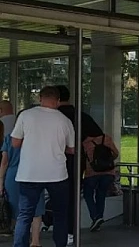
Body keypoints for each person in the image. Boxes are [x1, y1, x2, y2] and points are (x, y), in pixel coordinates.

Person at [11, 86, 75, 247]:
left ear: (40, 98)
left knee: (25, 214)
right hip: (57, 173)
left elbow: (15, 143)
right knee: (60, 214)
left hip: (29, 172)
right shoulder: (64, 120)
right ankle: (60, 244)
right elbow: (71, 149)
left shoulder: (26, 115)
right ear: (58, 101)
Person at [56, 85, 103, 245]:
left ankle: (53, 227)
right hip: (77, 161)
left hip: (54, 161)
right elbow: (99, 135)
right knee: (73, 195)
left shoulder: (54, 117)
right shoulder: (81, 116)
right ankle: (70, 230)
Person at [0, 110, 44, 246]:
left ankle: (19, 239)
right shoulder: (38, 139)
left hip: (13, 177)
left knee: (16, 211)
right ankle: (35, 241)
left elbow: (4, 162)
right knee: (36, 210)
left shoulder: (9, 138)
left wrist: (0, 181)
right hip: (34, 175)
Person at [82, 131, 119, 232]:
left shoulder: (85, 142)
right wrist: (107, 161)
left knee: (88, 194)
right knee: (101, 194)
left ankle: (95, 217)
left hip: (91, 173)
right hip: (108, 172)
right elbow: (116, 153)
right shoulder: (106, 138)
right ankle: (98, 220)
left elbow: (82, 159)